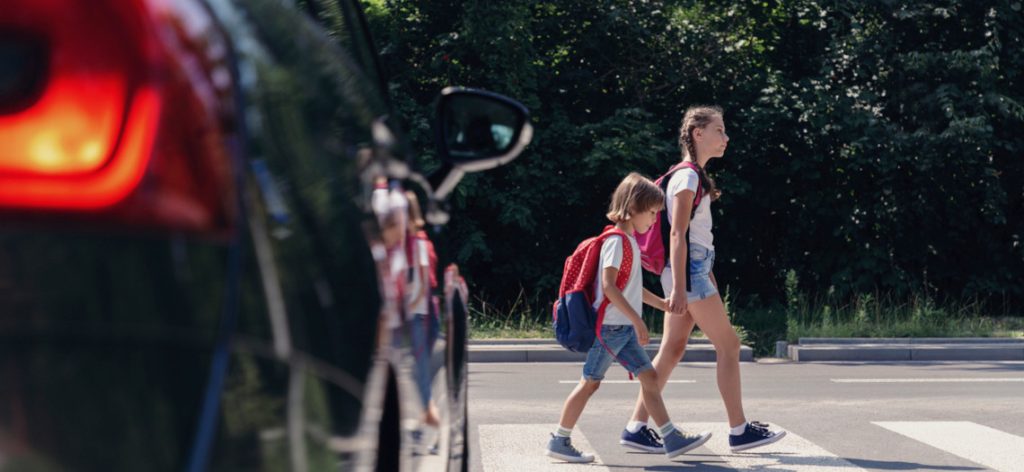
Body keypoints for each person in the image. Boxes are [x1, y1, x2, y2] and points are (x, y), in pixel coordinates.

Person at [621, 106, 786, 453]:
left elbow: (693, 237)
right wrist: (682, 287)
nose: (725, 138)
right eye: (719, 130)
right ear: (698, 133)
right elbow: (678, 235)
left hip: (692, 270)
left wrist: (699, 275)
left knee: (672, 349)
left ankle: (636, 427)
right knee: (729, 346)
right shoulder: (688, 178)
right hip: (687, 272)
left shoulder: (691, 176)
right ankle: (739, 429)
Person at [546, 173, 712, 463]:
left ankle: (670, 437)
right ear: (632, 208)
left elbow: (631, 287)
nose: (653, 221)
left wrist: (661, 304)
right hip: (611, 328)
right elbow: (609, 286)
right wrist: (638, 320)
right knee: (590, 383)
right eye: (651, 213)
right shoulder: (616, 241)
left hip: (619, 328)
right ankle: (560, 439)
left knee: (649, 377)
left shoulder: (629, 242)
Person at [403, 191, 442, 430]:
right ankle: (428, 415)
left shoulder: (417, 244)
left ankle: (430, 417)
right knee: (419, 370)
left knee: (419, 370)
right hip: (420, 313)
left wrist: (407, 304)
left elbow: (423, 281)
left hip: (419, 314)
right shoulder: (415, 242)